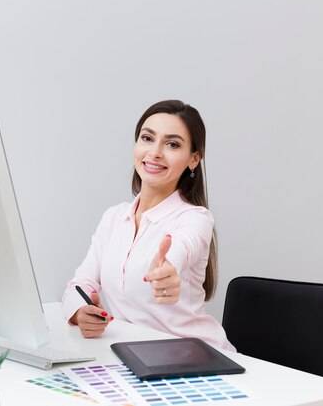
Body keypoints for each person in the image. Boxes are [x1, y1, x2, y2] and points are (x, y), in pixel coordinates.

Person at [61, 100, 234, 351]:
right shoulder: (114, 218)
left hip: (197, 358)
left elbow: (180, 250)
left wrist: (167, 272)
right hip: (137, 357)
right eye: (147, 138)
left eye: (172, 144)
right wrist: (79, 312)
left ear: (193, 159)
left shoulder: (195, 218)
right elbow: (79, 285)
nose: (155, 152)